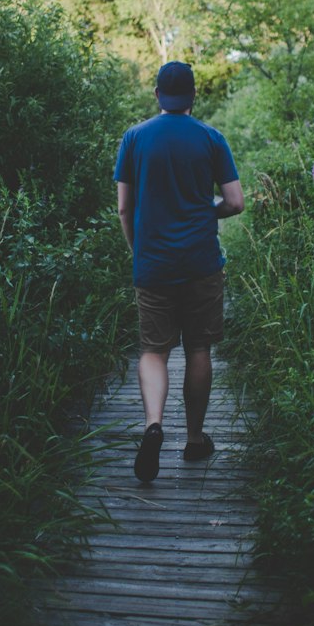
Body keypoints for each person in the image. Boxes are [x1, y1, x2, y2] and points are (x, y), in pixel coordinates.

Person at [114, 60, 244, 482]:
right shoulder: (211, 138)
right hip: (201, 263)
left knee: (154, 350)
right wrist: (209, 211)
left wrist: (139, 250)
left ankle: (154, 424)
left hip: (153, 264)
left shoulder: (134, 138)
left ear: (157, 95)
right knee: (198, 349)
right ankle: (193, 440)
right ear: (193, 97)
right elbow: (235, 202)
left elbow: (123, 207)